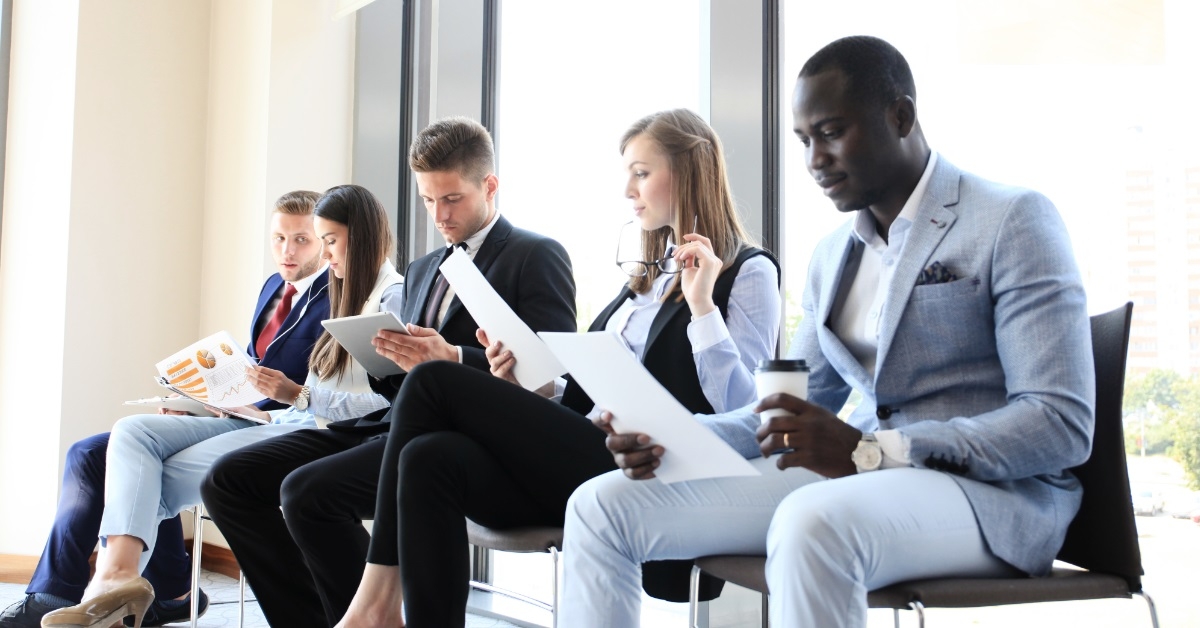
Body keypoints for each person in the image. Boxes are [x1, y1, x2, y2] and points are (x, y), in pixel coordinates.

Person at [559, 36, 1095, 628]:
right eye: (804, 140)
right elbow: (787, 411)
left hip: (992, 498)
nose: (815, 158)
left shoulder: (1012, 219)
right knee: (600, 505)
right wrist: (675, 436)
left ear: (901, 116)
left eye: (832, 132)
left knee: (811, 523)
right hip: (846, 478)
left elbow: (1059, 423)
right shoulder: (833, 254)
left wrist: (873, 452)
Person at [334, 108, 782, 628]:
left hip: (651, 461)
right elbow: (586, 391)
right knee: (431, 458)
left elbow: (746, 409)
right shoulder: (640, 282)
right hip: (586, 445)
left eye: (641, 172)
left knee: (435, 379)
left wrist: (702, 307)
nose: (628, 190)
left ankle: (374, 606)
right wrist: (538, 386)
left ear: (689, 172)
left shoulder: (747, 272)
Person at [199, 117, 579, 627]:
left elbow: (552, 380)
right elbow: (406, 382)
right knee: (228, 481)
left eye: (452, 199)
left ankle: (370, 613)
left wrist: (458, 359)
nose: (439, 214)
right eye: (428, 200)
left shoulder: (536, 256)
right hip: (389, 423)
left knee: (305, 494)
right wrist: (386, 356)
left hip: (464, 440)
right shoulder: (425, 270)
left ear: (489, 186)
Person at [41, 184, 405, 628]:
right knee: (132, 432)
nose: (322, 253)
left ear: (360, 237)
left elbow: (386, 401)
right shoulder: (342, 287)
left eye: (324, 240)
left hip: (307, 429)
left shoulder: (386, 296)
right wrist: (214, 402)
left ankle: (119, 591)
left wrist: (299, 396)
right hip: (273, 416)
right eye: (288, 238)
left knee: (143, 474)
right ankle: (115, 578)